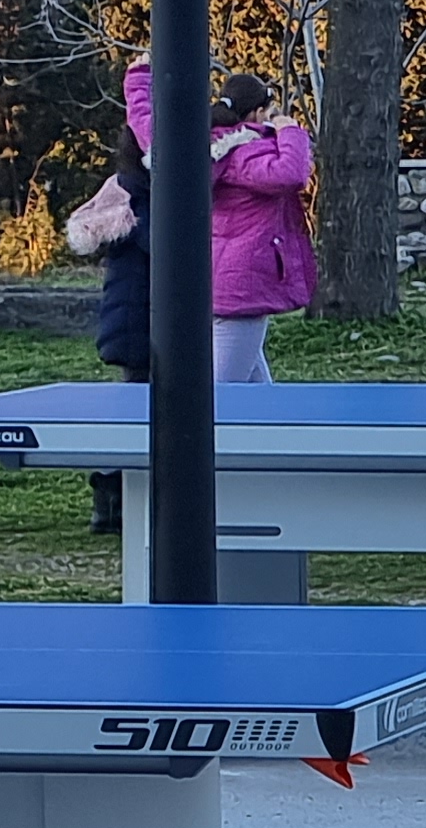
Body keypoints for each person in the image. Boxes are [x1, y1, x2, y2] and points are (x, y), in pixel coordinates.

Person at [121, 58, 317, 384]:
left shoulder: (195, 144)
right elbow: (291, 174)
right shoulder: (246, 152)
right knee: (222, 393)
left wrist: (138, 78)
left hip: (210, 276)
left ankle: (266, 418)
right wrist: (290, 130)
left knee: (254, 386)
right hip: (242, 286)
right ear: (257, 113)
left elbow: (147, 128)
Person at [64, 141, 151, 534]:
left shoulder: (126, 190)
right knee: (137, 410)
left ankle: (113, 497)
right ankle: (112, 497)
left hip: (133, 319)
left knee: (135, 408)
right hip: (141, 321)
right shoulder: (142, 198)